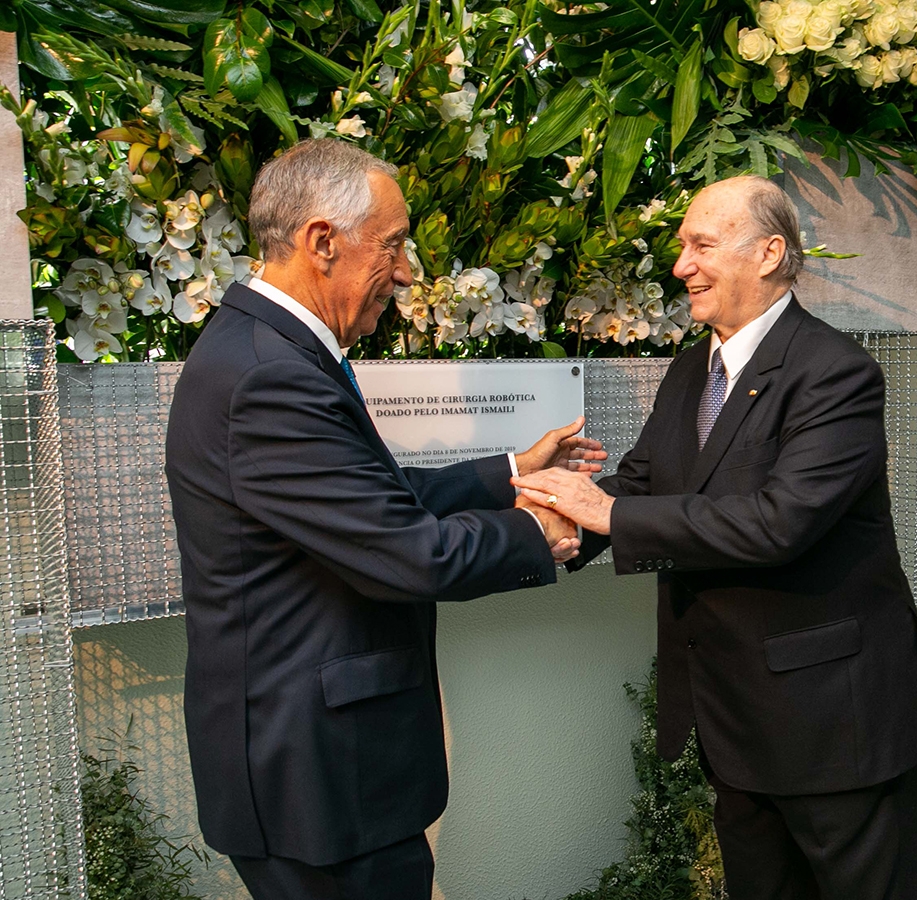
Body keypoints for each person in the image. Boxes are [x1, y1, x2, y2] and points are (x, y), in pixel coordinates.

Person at [165, 139, 604, 900]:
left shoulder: (272, 350)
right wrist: (544, 529)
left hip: (325, 767)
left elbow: (366, 503)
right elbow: (408, 553)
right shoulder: (270, 375)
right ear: (322, 242)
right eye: (394, 245)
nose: (405, 272)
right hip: (320, 778)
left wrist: (510, 474)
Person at [513, 175, 917, 900]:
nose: (681, 265)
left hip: (835, 724)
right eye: (682, 246)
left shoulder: (836, 374)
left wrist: (604, 515)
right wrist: (548, 524)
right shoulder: (693, 369)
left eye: (701, 245)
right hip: (735, 721)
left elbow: (781, 522)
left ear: (770, 252)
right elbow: (644, 484)